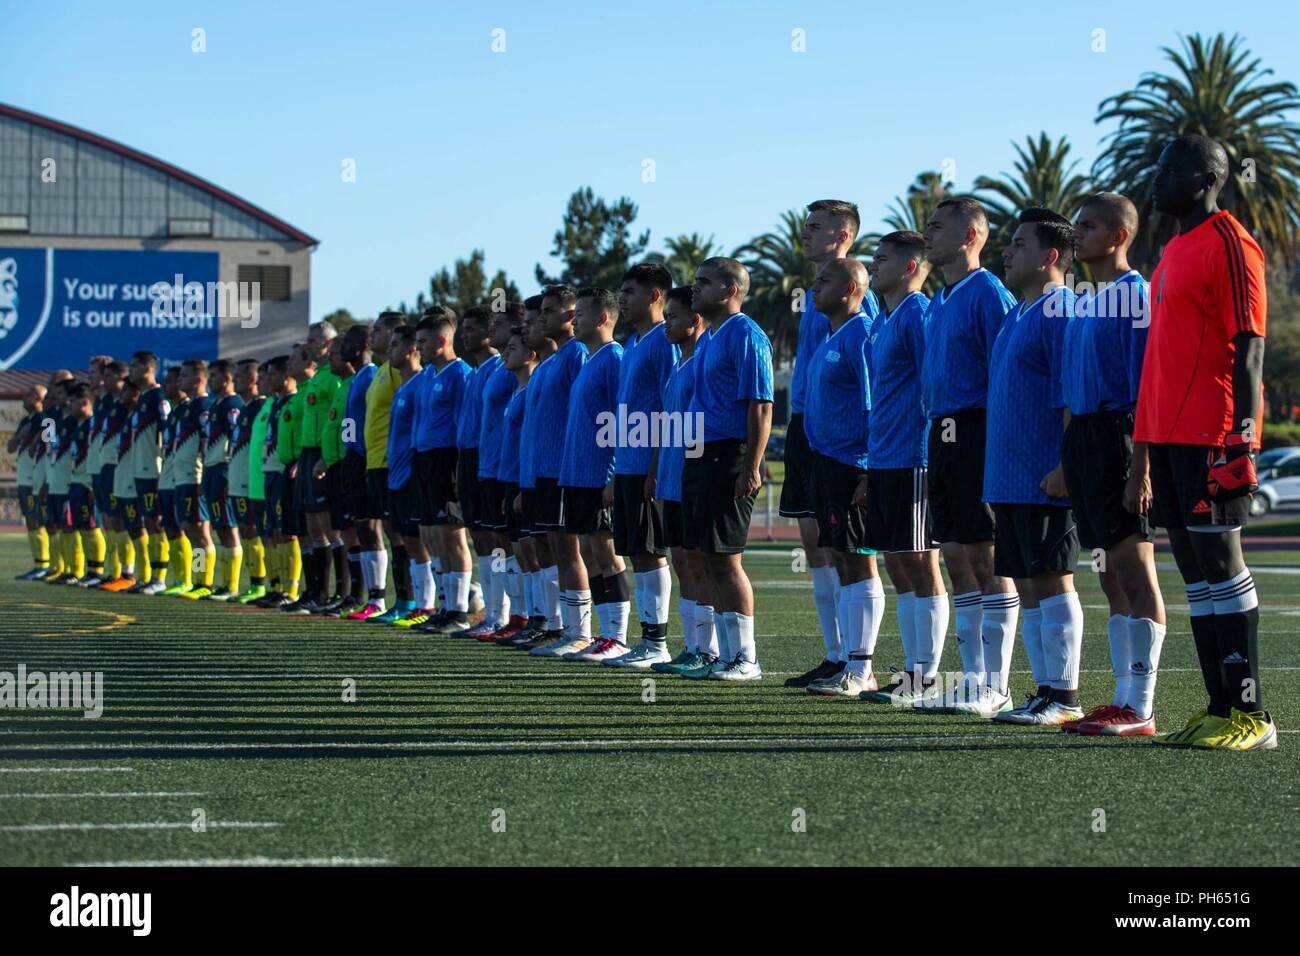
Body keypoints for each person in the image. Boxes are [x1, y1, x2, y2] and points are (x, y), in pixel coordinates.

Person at [1132, 135, 1275, 750]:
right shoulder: (1171, 250)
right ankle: (1220, 707)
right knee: (1195, 574)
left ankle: (1254, 717)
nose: (1157, 179)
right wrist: (1142, 445)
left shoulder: (1232, 244)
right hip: (1166, 436)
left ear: (1206, 176)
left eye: (1168, 170)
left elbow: (1251, 351)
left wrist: (1242, 442)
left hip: (1211, 434)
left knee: (1224, 566)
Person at [1054, 193, 1165, 735]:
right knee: (1108, 575)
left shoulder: (1135, 295)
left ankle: (1140, 706)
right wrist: (1066, 457)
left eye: (1089, 226)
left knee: (1135, 569)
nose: (1077, 235)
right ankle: (1124, 698)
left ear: (1119, 236)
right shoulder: (1082, 299)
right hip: (1086, 445)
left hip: (1121, 438)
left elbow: (1148, 389)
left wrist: (1141, 468)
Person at [978, 208, 1081, 721]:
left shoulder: (1060, 308)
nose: (1008, 251)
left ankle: (1063, 696)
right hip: (1010, 476)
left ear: (1050, 256)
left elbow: (1071, 394)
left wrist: (1066, 465)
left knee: (1052, 578)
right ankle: (1044, 691)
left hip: (1045, 474)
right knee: (1027, 581)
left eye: (1020, 244)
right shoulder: (1018, 312)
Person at [919, 199, 1018, 709]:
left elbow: (1005, 373)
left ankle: (996, 684)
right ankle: (973, 677)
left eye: (937, 227)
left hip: (979, 429)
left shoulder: (989, 293)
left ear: (969, 236)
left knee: (984, 553)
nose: (927, 234)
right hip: (942, 432)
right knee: (955, 554)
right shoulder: (938, 299)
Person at [785, 199, 882, 687]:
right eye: (806, 225)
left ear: (844, 235)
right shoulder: (814, 297)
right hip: (809, 429)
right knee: (818, 542)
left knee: (848, 548)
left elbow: (870, 386)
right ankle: (836, 654)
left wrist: (868, 460)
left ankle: (857, 661)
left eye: (817, 226)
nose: (806, 233)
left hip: (845, 443)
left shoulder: (860, 300)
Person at [858, 232, 946, 706]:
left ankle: (926, 675)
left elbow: (931, 387)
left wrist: (931, 455)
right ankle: (913, 669)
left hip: (913, 456)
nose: (874, 266)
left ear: (911, 266)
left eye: (883, 258)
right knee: (897, 562)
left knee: (920, 563)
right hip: (885, 458)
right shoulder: (883, 320)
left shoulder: (917, 313)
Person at [678, 258, 773, 681]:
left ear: (729, 290)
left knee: (727, 559)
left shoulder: (746, 334)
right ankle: (725, 653)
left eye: (704, 282)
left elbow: (761, 404)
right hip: (701, 453)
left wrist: (751, 464)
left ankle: (746, 658)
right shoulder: (708, 338)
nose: (694, 288)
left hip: (728, 454)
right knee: (707, 557)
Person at [606, 263, 680, 667]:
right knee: (637, 551)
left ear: (655, 296)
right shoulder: (633, 343)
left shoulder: (663, 341)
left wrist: (655, 469)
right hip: (629, 464)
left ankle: (657, 642)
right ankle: (646, 639)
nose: (623, 300)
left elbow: (671, 408)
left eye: (630, 292)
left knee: (652, 551)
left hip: (650, 465)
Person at [647, 287, 719, 674]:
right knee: (682, 563)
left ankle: (707, 648)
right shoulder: (680, 363)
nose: (666, 324)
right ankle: (693, 646)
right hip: (671, 479)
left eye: (672, 317)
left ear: (694, 321)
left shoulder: (703, 359)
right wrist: (657, 471)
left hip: (692, 477)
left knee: (699, 563)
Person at [555, 288, 628, 662]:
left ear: (602, 318)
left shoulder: (614, 358)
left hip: (599, 475)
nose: (573, 319)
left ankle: (616, 636)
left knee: (606, 551)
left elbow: (622, 417)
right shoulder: (590, 361)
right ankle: (598, 634)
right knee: (588, 549)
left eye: (580, 313)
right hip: (578, 474)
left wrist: (613, 475)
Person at [10, 384, 50, 579]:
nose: (24, 398)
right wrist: (20, 435)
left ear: (37, 397)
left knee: (39, 520)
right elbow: (10, 447)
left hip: (37, 478)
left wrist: (35, 440)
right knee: (30, 520)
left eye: (27, 394)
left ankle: (45, 564)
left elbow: (47, 447)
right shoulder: (26, 421)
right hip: (24, 478)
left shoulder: (45, 420)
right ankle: (39, 564)